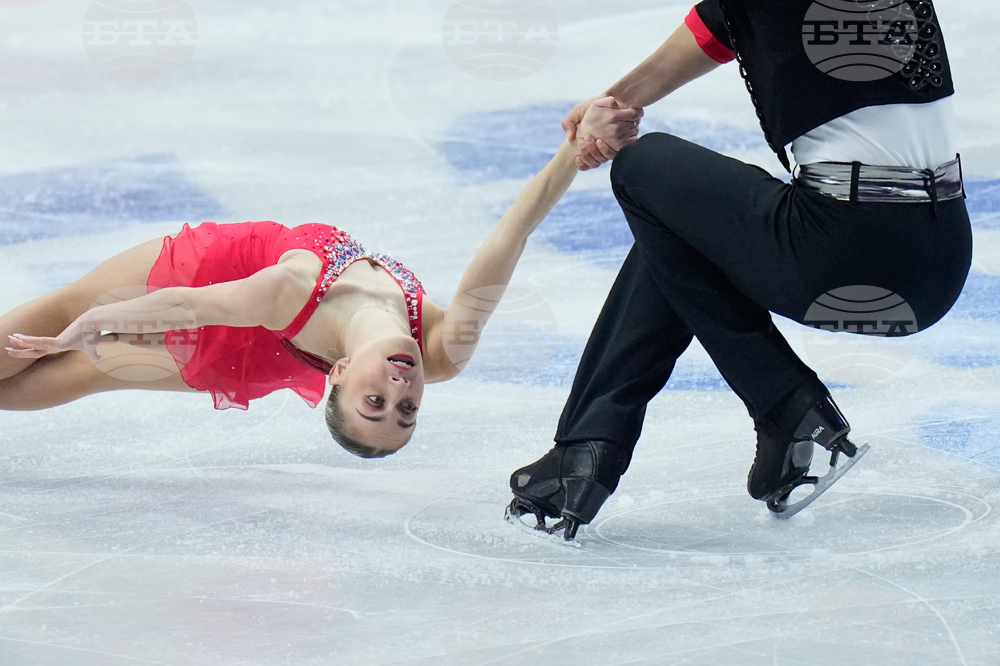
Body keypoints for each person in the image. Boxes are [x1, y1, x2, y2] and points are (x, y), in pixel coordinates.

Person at [507, 0, 971, 538]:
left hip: (847, 254)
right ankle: (586, 451)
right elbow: (722, 21)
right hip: (941, 258)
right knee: (683, 224)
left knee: (644, 167)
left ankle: (784, 402)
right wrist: (615, 104)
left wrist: (611, 114)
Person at [1, 124, 643, 458]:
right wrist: (575, 151)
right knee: (77, 336)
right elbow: (510, 235)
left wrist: (101, 323)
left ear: (337, 372)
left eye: (374, 402)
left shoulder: (290, 291)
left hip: (222, 291)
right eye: (407, 411)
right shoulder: (445, 350)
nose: (399, 391)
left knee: (81, 343)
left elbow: (195, 305)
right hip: (239, 287)